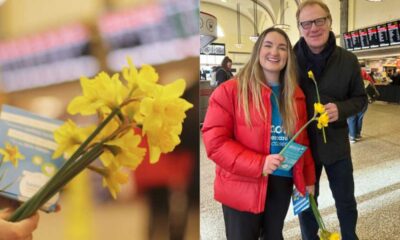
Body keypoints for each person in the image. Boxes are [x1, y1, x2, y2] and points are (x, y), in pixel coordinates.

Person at [202, 27, 315, 240]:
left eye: (282, 48)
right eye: (268, 45)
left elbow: (302, 140)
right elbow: (215, 143)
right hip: (241, 183)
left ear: (288, 57)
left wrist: (308, 178)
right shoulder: (230, 91)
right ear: (257, 51)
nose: (275, 52)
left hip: (281, 182)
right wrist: (259, 163)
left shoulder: (295, 94)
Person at [293, 1, 368, 239]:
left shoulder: (348, 60)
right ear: (299, 27)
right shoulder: (289, 61)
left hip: (336, 146)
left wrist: (342, 109)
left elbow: (361, 99)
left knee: (346, 202)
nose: (313, 28)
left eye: (319, 20)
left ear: (329, 22)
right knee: (306, 205)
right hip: (302, 148)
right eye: (306, 23)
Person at [347, 67, 373, 143]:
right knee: (359, 118)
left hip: (352, 99)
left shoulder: (348, 73)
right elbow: (371, 83)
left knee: (352, 118)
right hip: (364, 99)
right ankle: (358, 134)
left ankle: (352, 136)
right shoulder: (363, 72)